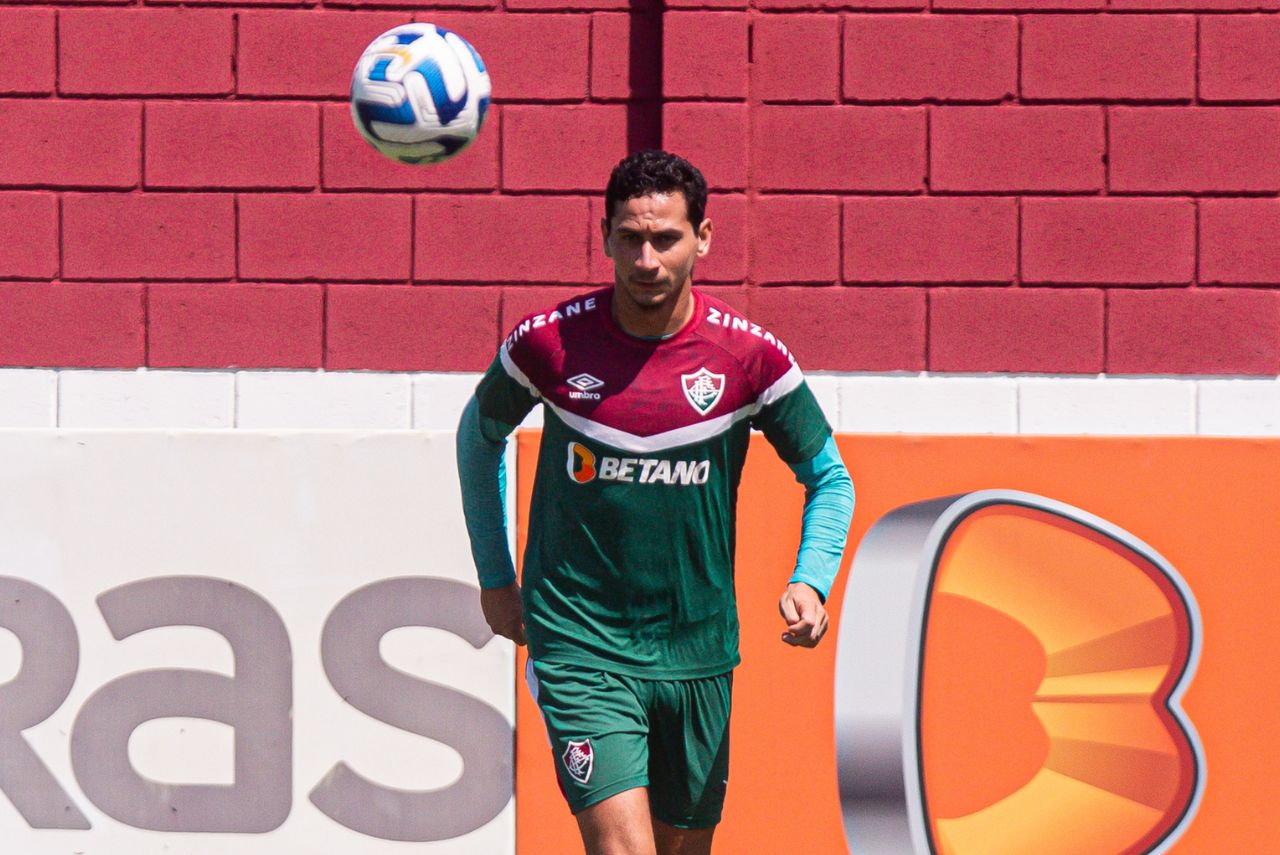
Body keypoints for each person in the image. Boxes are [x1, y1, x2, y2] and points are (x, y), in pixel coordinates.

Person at [456, 150, 854, 855]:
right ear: (604, 236)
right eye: (631, 238)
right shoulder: (549, 343)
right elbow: (478, 436)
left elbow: (830, 478)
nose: (647, 260)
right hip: (581, 640)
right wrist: (496, 577)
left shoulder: (750, 358)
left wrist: (811, 579)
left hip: (697, 650)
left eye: (666, 238)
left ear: (703, 238)